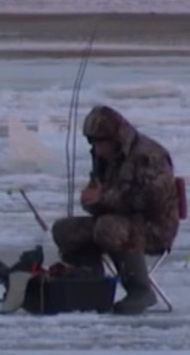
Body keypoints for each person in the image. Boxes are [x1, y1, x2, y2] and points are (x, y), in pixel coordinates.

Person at [50, 105, 180, 315]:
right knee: (65, 230)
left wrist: (105, 198)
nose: (97, 149)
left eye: (100, 143)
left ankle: (141, 290)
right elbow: (99, 198)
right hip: (117, 221)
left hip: (155, 227)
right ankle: (92, 286)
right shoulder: (103, 158)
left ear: (115, 138)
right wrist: (91, 201)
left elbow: (153, 202)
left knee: (107, 227)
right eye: (92, 143)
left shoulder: (149, 156)